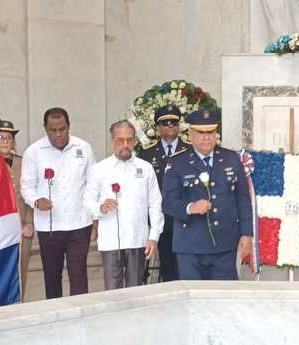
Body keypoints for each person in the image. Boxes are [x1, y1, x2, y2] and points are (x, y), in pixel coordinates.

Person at [162, 109, 253, 280]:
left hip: (225, 245)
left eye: (210, 132)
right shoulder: (177, 163)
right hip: (190, 245)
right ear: (190, 134)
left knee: (224, 297)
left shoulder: (231, 159)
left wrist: (247, 233)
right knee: (194, 300)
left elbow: (242, 199)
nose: (206, 137)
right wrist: (190, 208)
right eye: (201, 133)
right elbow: (167, 202)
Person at [21, 107, 96, 299]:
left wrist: (94, 218)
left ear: (68, 126)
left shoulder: (84, 148)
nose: (58, 134)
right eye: (53, 130)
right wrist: (37, 201)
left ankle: (81, 316)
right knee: (52, 276)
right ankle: (55, 317)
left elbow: (93, 184)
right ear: (45, 129)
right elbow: (26, 187)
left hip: (79, 223)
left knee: (79, 275)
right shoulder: (33, 152)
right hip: (49, 226)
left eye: (62, 129)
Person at [84, 120, 164, 290]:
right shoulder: (99, 169)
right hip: (110, 241)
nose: (125, 145)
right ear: (112, 141)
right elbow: (87, 202)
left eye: (129, 140)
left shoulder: (146, 168)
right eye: (120, 140)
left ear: (135, 140)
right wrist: (100, 207)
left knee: (136, 290)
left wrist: (153, 236)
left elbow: (155, 204)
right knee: (112, 292)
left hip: (138, 240)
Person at [139, 105, 190, 282]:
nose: (170, 126)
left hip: (185, 216)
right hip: (161, 217)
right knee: (167, 263)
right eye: (165, 123)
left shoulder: (189, 149)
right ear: (158, 127)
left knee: (186, 263)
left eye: (174, 123)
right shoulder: (147, 153)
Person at [0, 119, 34, 301]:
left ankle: (18, 305)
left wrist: (29, 222)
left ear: (13, 141)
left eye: (9, 137)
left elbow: (31, 194)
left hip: (22, 228)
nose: (5, 141)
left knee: (21, 269)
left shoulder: (24, 163)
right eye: (0, 137)